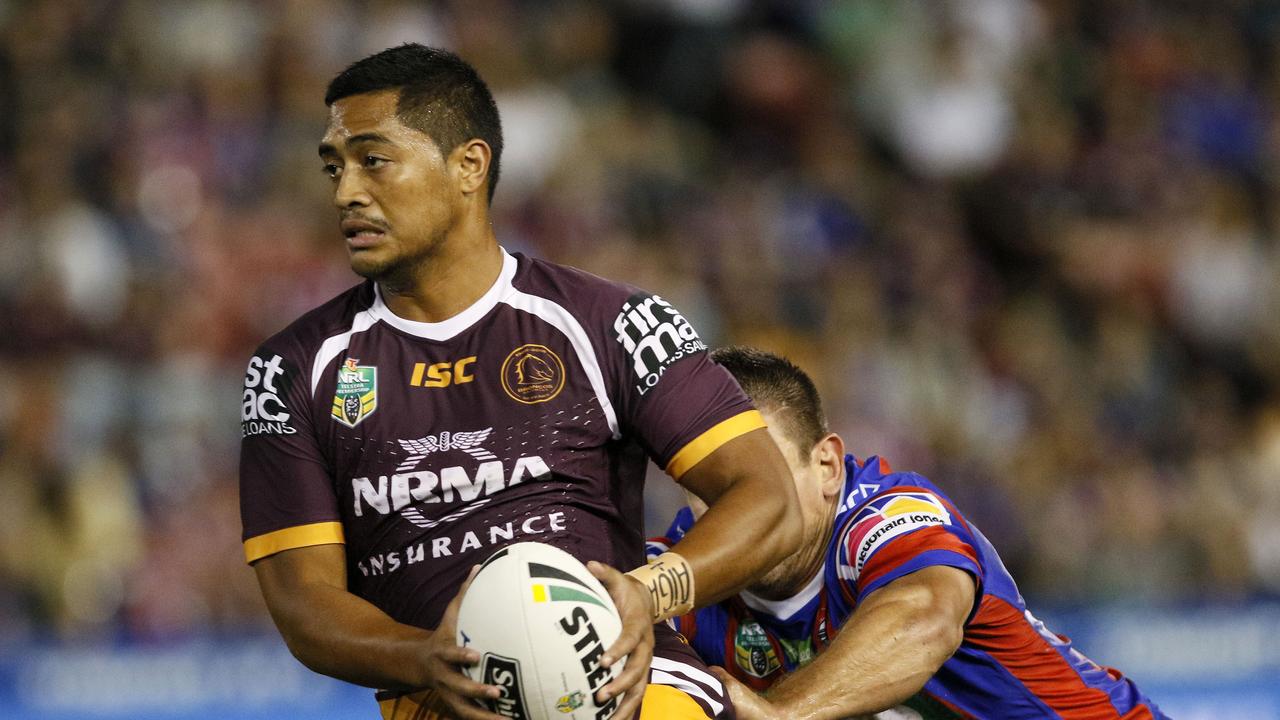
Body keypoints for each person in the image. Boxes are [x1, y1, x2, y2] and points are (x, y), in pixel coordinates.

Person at [238, 44, 803, 720]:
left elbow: (766, 494)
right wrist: (425, 658)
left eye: (374, 160)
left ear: (468, 166)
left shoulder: (612, 323)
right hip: (443, 704)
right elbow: (306, 608)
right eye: (335, 166)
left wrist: (649, 592)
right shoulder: (291, 372)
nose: (346, 192)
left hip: (633, 691)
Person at [649, 346, 1169, 720]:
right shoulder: (676, 571)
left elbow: (925, 617)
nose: (742, 508)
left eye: (767, 481)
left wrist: (782, 713)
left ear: (828, 466)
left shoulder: (887, 518)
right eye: (711, 486)